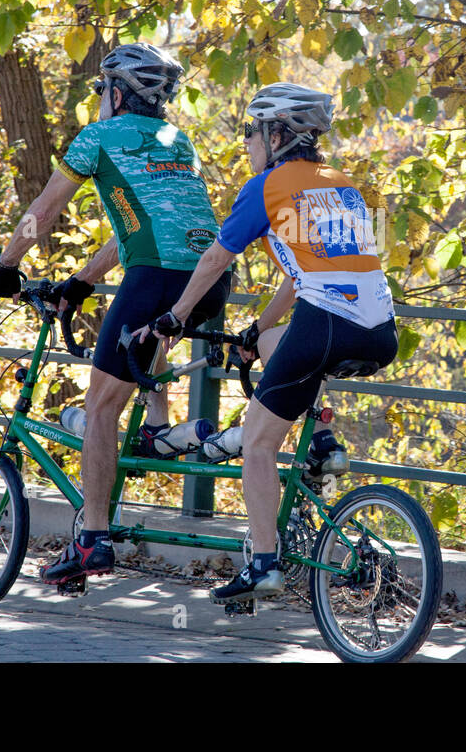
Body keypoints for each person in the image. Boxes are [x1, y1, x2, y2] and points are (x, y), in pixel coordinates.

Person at [0, 43, 231, 585]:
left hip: (157, 277)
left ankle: (92, 539)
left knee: (98, 406)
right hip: (210, 282)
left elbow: (43, 211)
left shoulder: (97, 138)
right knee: (138, 358)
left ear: (117, 94)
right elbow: (139, 228)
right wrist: (83, 280)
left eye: (100, 92)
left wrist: (5, 265)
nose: (97, 102)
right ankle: (160, 433)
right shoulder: (177, 142)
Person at [144, 82, 398, 604]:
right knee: (279, 342)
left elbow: (215, 259)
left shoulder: (267, 187)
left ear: (277, 133)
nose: (247, 143)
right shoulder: (340, 184)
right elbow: (299, 275)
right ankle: (323, 443)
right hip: (379, 329)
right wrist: (258, 331)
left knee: (257, 445)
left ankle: (263, 564)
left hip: (326, 320)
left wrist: (175, 315)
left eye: (250, 132)